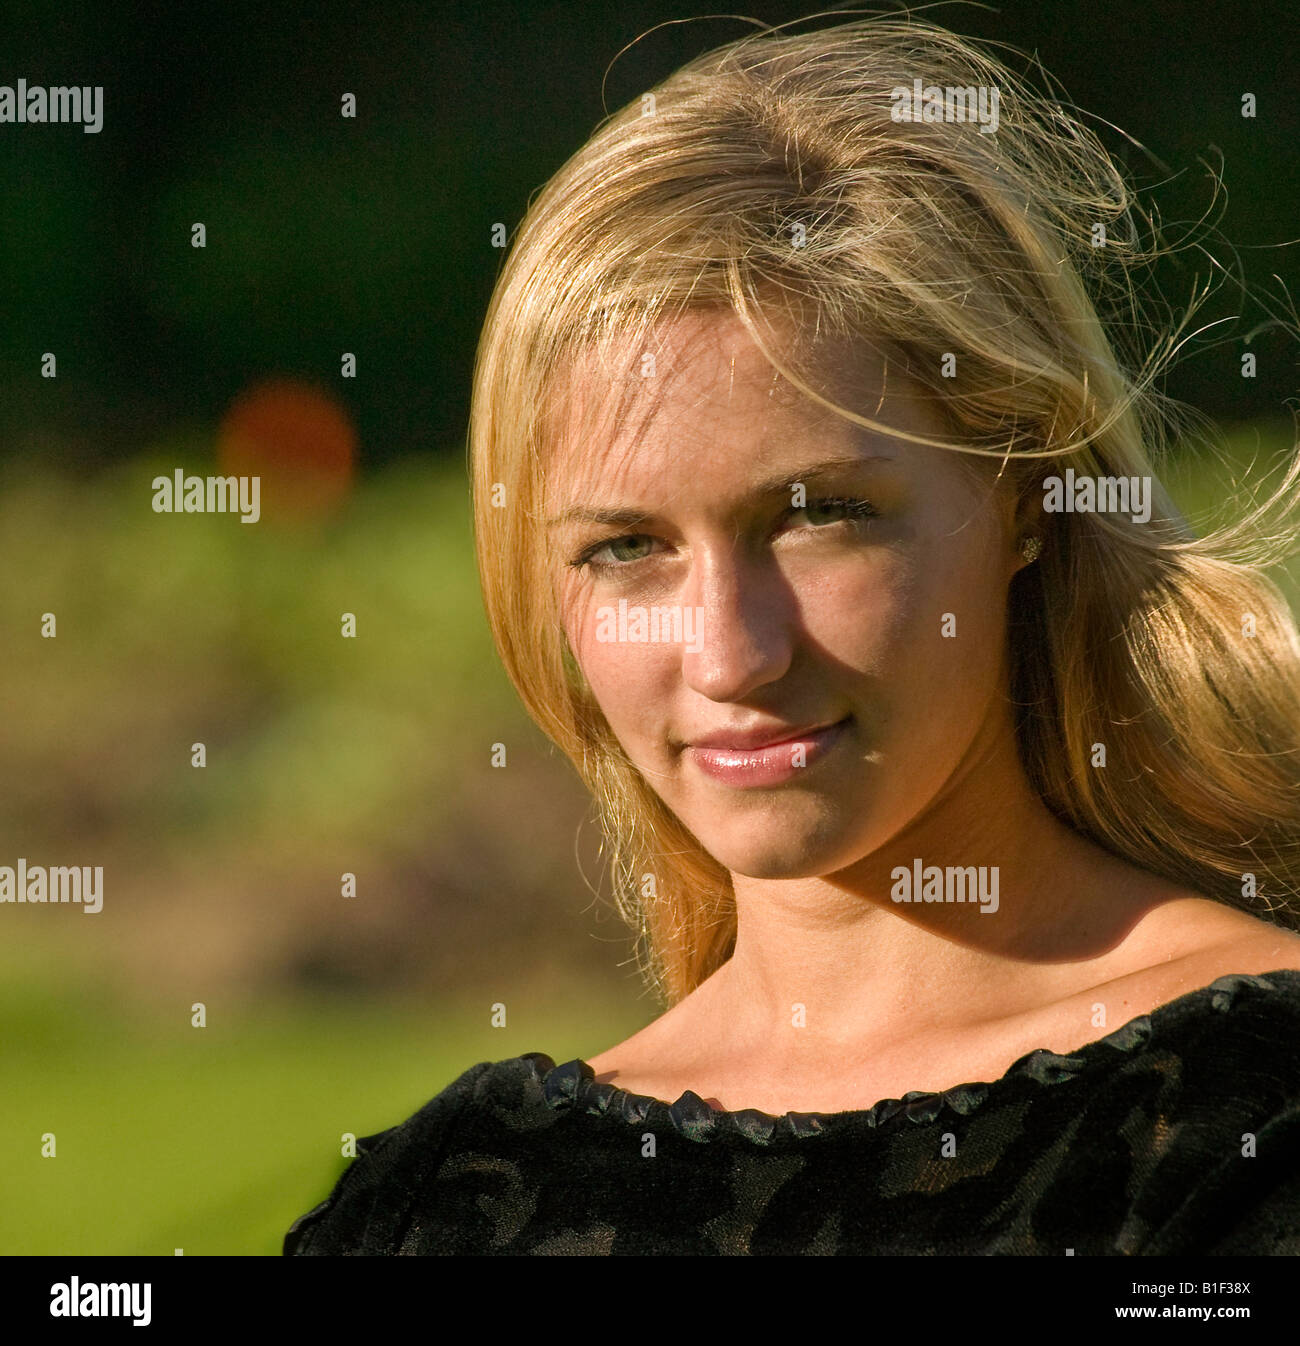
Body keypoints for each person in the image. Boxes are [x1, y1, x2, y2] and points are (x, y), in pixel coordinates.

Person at [284, 12, 1300, 1255]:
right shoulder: (447, 1202)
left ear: (1027, 495)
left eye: (819, 516)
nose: (729, 655)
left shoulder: (1245, 1118)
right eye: (623, 547)